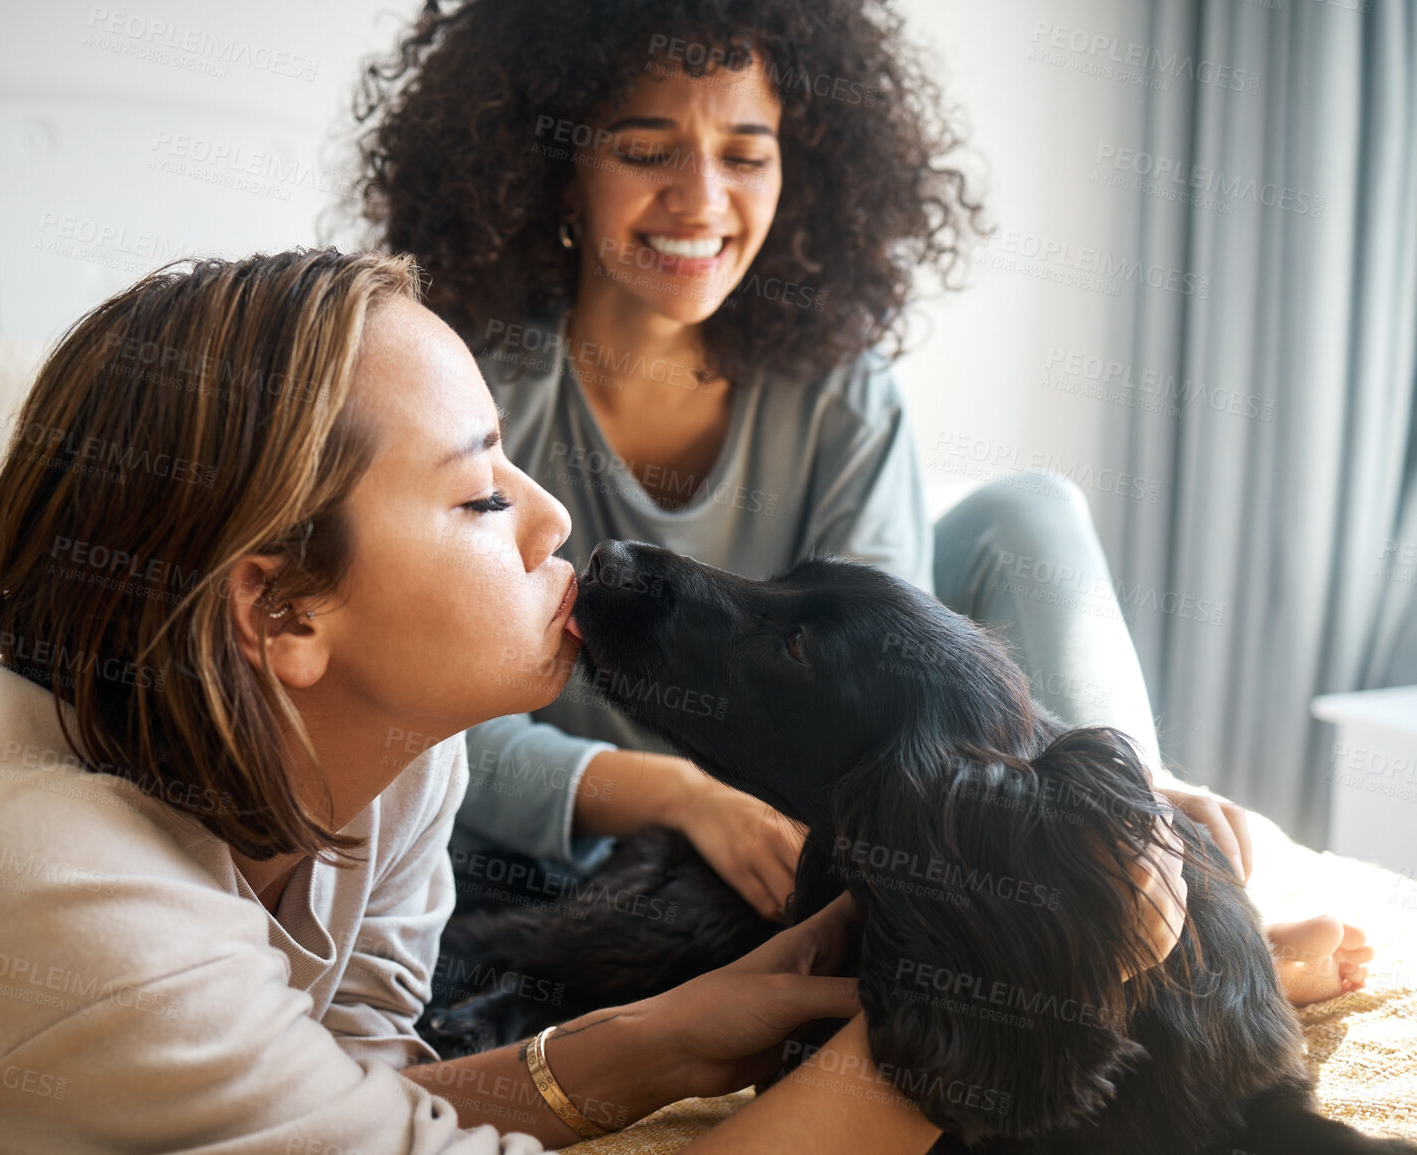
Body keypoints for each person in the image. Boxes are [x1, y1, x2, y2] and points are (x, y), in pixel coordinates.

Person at [0, 246, 1046, 1153]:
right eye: (472, 493)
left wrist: (668, 1034)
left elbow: (355, 1097)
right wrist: (990, 1019)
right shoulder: (88, 929)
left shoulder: (390, 758)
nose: (551, 516)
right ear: (279, 611)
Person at [353, 0, 1372, 1000]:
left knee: (1028, 512)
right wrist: (676, 793)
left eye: (746, 155)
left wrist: (1092, 778)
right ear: (558, 170)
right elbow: (415, 711)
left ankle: (1133, 852)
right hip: (599, 818)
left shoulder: (841, 387)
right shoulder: (475, 387)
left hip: (800, 772)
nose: (702, 197)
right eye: (646, 149)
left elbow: (895, 671)